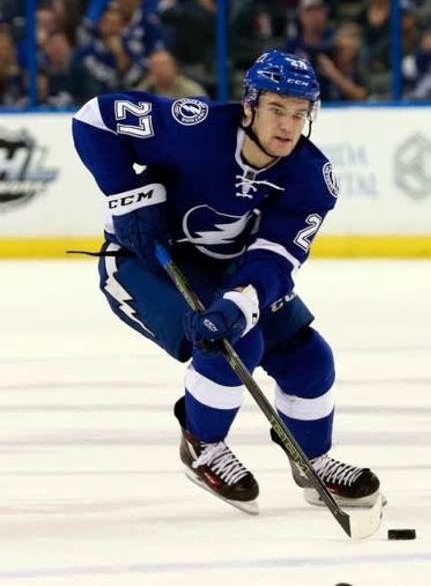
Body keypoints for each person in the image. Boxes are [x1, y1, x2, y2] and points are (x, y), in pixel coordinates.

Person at [71, 49, 382, 513]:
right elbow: (93, 119)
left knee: (309, 358)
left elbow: (277, 257)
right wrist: (126, 195)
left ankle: (313, 460)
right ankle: (203, 445)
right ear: (251, 104)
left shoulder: (311, 179)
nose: (288, 125)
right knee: (236, 347)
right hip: (143, 261)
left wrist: (239, 301)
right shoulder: (194, 126)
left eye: (300, 114)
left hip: (227, 270)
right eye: (277, 109)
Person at [136, 48, 207, 98]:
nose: (159, 70)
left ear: (174, 67)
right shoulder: (146, 87)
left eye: (163, 65)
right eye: (154, 66)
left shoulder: (190, 89)